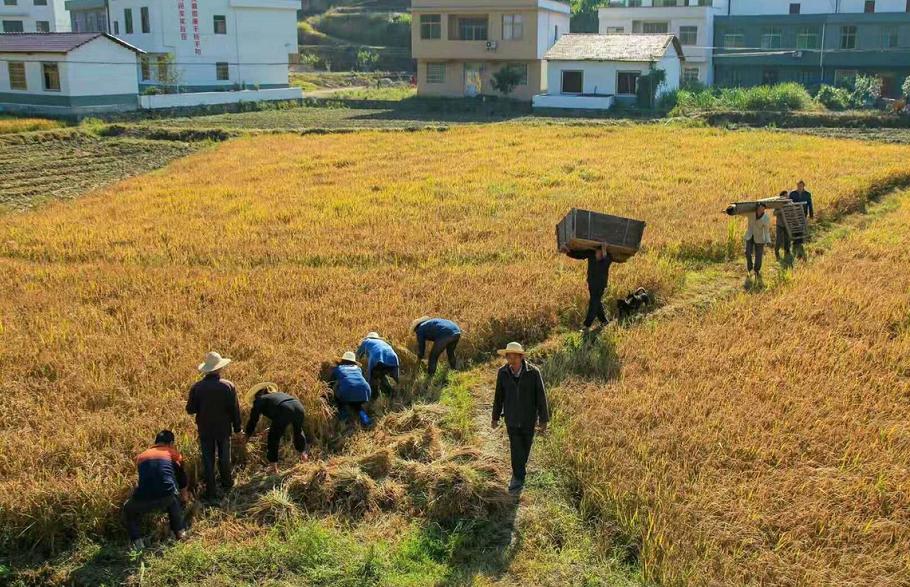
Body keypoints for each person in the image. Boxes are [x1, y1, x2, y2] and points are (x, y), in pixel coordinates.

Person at [492, 342, 549, 495]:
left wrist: (543, 420)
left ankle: (520, 469)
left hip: (528, 417)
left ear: (520, 356)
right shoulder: (502, 373)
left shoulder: (533, 372)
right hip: (511, 417)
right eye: (507, 355)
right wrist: (495, 417)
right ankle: (518, 477)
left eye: (512, 354)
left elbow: (541, 396)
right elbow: (499, 396)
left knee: (526, 446)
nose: (509, 357)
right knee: (515, 446)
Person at [186, 351, 241, 500]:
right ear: (219, 369)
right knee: (224, 457)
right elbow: (234, 409)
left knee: (208, 459)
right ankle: (227, 484)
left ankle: (211, 491)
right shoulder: (228, 386)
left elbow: (190, 410)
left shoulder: (197, 387)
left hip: (205, 429)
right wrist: (237, 428)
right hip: (223, 428)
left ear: (206, 370)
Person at [122, 430, 189, 550]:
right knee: (173, 498)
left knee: (128, 508)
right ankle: (180, 532)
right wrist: (184, 497)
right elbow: (182, 477)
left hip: (144, 497)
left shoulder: (141, 456)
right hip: (166, 497)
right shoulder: (173, 454)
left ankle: (137, 542)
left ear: (156, 442)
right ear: (171, 443)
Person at [243, 382, 309, 474]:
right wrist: (271, 428)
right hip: (299, 407)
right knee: (298, 431)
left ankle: (273, 468)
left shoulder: (259, 400)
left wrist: (247, 435)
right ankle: (304, 456)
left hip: (284, 410)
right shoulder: (278, 396)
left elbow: (253, 420)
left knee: (273, 437)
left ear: (258, 394)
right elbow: (283, 416)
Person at [561, 242, 612, 332]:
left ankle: (587, 325)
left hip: (600, 285)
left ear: (603, 253)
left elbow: (605, 260)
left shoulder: (607, 259)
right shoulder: (592, 254)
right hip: (592, 283)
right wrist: (568, 252)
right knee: (596, 302)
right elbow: (579, 255)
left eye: (599, 253)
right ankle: (604, 321)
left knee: (593, 303)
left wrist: (604, 249)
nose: (597, 254)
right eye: (597, 252)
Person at [329, 351, 373, 427]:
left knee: (341, 403)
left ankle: (344, 422)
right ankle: (366, 422)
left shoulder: (338, 368)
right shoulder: (358, 368)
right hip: (365, 390)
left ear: (342, 360)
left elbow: (330, 384)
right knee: (358, 406)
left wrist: (330, 397)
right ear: (354, 362)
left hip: (349, 389)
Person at [356, 332, 401, 399]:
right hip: (394, 358)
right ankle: (394, 394)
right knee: (384, 376)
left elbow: (358, 355)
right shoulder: (383, 342)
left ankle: (373, 398)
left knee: (373, 378)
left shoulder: (366, 341)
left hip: (378, 357)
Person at [745, 202, 772, 279]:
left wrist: (768, 241)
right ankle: (750, 269)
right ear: (757, 208)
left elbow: (766, 231)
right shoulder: (751, 214)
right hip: (750, 235)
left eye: (763, 209)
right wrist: (730, 211)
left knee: (759, 255)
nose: (761, 210)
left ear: (764, 210)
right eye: (760, 209)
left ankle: (756, 270)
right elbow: (741, 212)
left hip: (760, 237)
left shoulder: (766, 218)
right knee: (747, 252)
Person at [789, 181, 814, 259]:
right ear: (797, 186)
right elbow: (789, 203)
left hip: (803, 213)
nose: (799, 187)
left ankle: (799, 241)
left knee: (801, 227)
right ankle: (795, 241)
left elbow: (810, 205)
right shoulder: (792, 194)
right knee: (795, 227)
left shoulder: (807, 194)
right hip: (794, 213)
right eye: (798, 185)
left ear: (804, 186)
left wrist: (811, 215)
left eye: (801, 186)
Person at [773, 190, 792, 261]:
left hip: (787, 224)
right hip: (780, 224)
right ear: (782, 196)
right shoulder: (778, 204)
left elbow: (793, 210)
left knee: (787, 239)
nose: (787, 197)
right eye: (785, 196)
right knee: (779, 239)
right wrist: (781, 210)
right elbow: (774, 213)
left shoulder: (790, 202)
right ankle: (776, 252)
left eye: (787, 195)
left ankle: (787, 251)